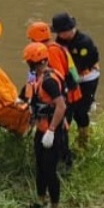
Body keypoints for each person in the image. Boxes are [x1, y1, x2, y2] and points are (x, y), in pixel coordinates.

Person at [22, 42, 67, 208]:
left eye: (31, 63)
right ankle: (41, 201)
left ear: (39, 62)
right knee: (40, 167)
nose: (30, 67)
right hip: (41, 129)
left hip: (51, 131)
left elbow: (61, 106)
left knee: (49, 170)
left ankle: (54, 207)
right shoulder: (38, 77)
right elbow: (34, 98)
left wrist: (52, 130)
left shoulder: (49, 82)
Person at [26, 20, 81, 166]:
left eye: (32, 39)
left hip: (64, 98)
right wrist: (28, 96)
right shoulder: (40, 54)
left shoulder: (51, 52)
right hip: (58, 97)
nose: (30, 42)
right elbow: (33, 76)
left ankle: (65, 164)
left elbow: (58, 80)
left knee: (61, 131)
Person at [51, 12, 100, 151]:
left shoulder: (83, 43)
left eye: (61, 32)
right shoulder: (61, 40)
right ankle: (63, 142)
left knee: (81, 111)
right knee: (67, 109)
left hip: (86, 77)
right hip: (70, 76)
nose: (59, 35)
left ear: (69, 30)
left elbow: (80, 66)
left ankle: (83, 141)